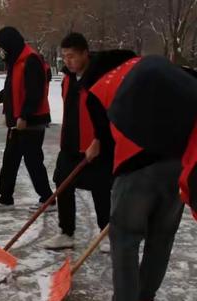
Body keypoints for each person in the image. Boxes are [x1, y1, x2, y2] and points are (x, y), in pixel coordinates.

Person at [86, 55, 197, 301]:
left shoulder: (98, 88)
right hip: (180, 159)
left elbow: (108, 142)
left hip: (136, 165)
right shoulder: (152, 66)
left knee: (125, 237)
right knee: (162, 235)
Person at [43, 33, 135, 251]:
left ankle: (107, 232)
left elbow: (111, 114)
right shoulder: (67, 79)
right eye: (64, 56)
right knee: (62, 185)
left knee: (101, 189)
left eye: (72, 56)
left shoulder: (101, 77)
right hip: (70, 145)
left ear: (85, 53)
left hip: (98, 144)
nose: (67, 61)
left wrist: (100, 139)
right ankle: (66, 233)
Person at [0, 26, 54, 211]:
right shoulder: (16, 61)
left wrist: (25, 115)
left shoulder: (30, 59)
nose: (0, 52)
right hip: (17, 122)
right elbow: (13, 89)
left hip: (31, 121)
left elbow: (35, 92)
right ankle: (5, 198)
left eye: (2, 47)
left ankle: (48, 198)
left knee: (32, 160)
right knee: (10, 160)